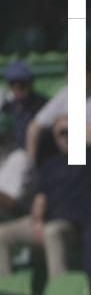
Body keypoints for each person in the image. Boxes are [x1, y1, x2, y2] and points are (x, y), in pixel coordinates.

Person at [0, 117, 91, 285]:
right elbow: (40, 198)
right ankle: (5, 287)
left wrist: (78, 125)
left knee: (51, 232)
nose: (66, 137)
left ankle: (59, 289)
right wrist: (37, 219)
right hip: (47, 221)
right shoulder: (51, 164)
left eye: (70, 132)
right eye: (61, 133)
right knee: (3, 233)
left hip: (76, 224)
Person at [0, 61, 46, 210]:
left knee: (20, 159)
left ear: (30, 84)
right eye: (14, 84)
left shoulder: (41, 106)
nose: (17, 89)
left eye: (22, 84)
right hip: (6, 155)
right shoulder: (7, 107)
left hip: (30, 161)